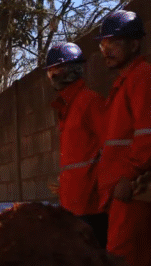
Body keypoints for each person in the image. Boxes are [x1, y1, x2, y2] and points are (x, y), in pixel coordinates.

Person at [94, 10, 151, 266]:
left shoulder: (144, 78)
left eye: (114, 43)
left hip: (137, 191)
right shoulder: (125, 84)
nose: (106, 50)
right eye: (103, 44)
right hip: (126, 193)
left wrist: (128, 177)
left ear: (135, 44)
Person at [44, 42, 108, 248]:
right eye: (51, 71)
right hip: (72, 204)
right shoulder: (66, 107)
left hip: (92, 206)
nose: (54, 76)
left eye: (58, 70)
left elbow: (110, 149)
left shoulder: (89, 102)